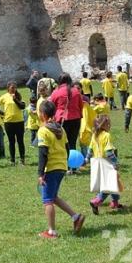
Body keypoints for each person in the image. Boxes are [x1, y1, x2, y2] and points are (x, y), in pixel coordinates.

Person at [37, 99, 85, 239]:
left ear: (43, 114)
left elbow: (43, 153)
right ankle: (76, 217)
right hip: (62, 167)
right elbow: (67, 148)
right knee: (54, 197)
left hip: (51, 168)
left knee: (47, 200)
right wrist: (64, 163)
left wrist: (40, 173)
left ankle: (51, 232)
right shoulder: (61, 129)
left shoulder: (43, 130)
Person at [85, 115, 124, 214]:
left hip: (96, 163)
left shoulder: (94, 135)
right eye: (108, 124)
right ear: (103, 125)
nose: (110, 125)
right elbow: (109, 152)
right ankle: (96, 201)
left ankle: (115, 202)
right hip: (106, 163)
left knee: (113, 182)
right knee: (108, 186)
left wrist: (86, 159)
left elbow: (90, 150)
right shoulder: (106, 135)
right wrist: (115, 162)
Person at [49, 73, 83, 152]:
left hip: (62, 119)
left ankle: (64, 158)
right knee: (72, 143)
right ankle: (72, 159)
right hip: (76, 119)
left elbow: (51, 106)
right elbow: (80, 105)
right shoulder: (76, 91)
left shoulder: (56, 92)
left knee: (62, 143)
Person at [0, 82, 26, 165]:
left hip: (19, 122)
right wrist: (3, 113)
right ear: (8, 88)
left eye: (15, 87)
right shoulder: (4, 97)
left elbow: (22, 106)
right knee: (11, 141)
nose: (14, 89)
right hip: (8, 122)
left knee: (20, 141)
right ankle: (12, 160)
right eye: (12, 87)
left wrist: (15, 99)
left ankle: (22, 160)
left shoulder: (18, 96)